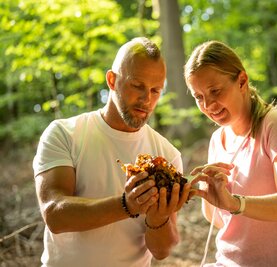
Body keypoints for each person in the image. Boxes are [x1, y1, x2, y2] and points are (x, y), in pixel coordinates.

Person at [33, 37, 191, 267]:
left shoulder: (167, 155)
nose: (146, 99)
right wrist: (127, 205)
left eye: (156, 90)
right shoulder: (64, 134)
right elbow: (55, 215)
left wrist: (158, 218)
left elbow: (162, 250)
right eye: (137, 85)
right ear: (112, 80)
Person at [184, 40, 277, 266]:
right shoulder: (218, 140)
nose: (208, 104)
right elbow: (220, 220)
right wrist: (208, 192)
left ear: (242, 81)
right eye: (198, 97)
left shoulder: (276, 124)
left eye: (215, 91)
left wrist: (236, 202)